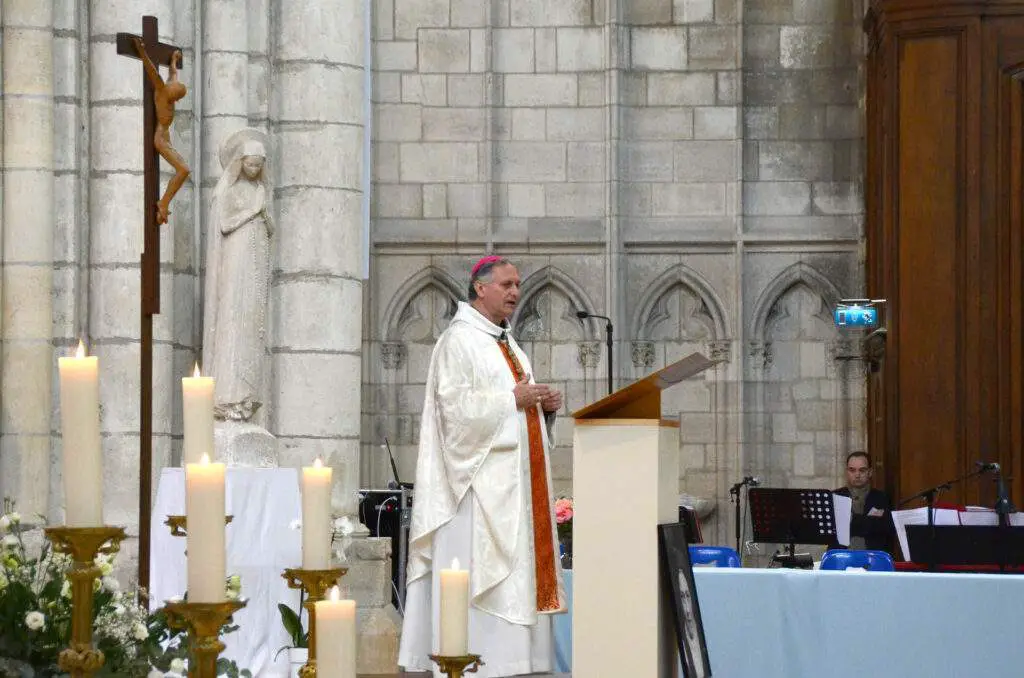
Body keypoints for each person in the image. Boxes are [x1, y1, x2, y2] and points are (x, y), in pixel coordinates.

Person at [398, 256, 566, 678]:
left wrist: (544, 410)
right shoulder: (459, 341)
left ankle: (517, 661)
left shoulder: (507, 343)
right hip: (475, 492)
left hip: (514, 488)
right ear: (480, 288)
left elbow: (518, 408)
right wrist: (513, 400)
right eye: (507, 284)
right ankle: (479, 662)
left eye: (517, 284)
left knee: (515, 574)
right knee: (481, 574)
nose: (515, 292)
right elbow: (452, 413)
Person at [201, 129, 273, 421]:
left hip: (255, 267)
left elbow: (270, 228)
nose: (254, 169)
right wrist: (252, 212)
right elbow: (225, 224)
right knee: (233, 320)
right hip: (234, 266)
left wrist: (264, 214)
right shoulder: (228, 191)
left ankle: (246, 396)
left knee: (251, 326)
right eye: (250, 164)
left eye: (259, 165)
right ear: (240, 162)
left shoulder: (261, 191)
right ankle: (227, 395)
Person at [131, 37, 189, 224]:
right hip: (160, 138)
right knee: (183, 170)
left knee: (183, 170)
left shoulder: (170, 88)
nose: (176, 101)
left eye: (177, 98)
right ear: (171, 92)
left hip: (166, 134)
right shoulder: (162, 90)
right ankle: (163, 203)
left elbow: (173, 74)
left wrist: (173, 60)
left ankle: (164, 204)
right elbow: (152, 70)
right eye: (176, 97)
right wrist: (141, 51)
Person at [834, 451, 893, 552]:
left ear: (870, 472)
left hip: (873, 557)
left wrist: (850, 519)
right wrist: (867, 522)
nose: (857, 475)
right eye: (852, 470)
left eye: (862, 470)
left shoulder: (881, 498)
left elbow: (884, 529)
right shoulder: (835, 496)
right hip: (840, 556)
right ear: (847, 472)